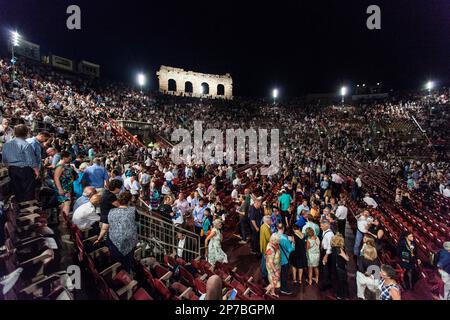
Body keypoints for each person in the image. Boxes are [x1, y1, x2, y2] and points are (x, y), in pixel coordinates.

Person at [1, 124, 39, 202]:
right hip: (25, 170)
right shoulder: (26, 145)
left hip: (12, 169)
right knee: (28, 192)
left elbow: (4, 160)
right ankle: (26, 210)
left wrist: (11, 167)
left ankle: (19, 210)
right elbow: (31, 161)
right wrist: (36, 171)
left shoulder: (6, 144)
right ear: (26, 133)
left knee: (17, 191)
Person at [105, 191, 138, 273]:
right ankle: (126, 275)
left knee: (117, 260)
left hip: (113, 239)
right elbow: (137, 220)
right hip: (128, 240)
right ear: (129, 200)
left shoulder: (111, 211)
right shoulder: (133, 210)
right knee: (127, 262)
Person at [50, 150, 75, 220]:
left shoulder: (64, 166)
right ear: (64, 158)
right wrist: (60, 189)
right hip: (63, 189)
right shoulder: (60, 166)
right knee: (66, 205)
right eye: (69, 157)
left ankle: (63, 221)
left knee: (64, 205)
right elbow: (56, 178)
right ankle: (64, 222)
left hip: (66, 188)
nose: (70, 159)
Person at [330, 233, 350, 299]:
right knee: (342, 283)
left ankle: (338, 294)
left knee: (337, 282)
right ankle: (342, 295)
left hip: (334, 268)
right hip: (340, 268)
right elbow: (347, 259)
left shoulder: (333, 248)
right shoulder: (340, 249)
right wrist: (346, 255)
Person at [277, 223, 294, 295]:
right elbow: (290, 250)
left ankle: (280, 285)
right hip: (284, 260)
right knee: (284, 275)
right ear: (283, 228)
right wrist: (293, 243)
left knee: (279, 274)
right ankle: (283, 289)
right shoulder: (284, 239)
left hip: (277, 259)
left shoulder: (274, 235)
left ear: (277, 228)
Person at [319, 219, 335, 291]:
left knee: (326, 269)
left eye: (322, 226)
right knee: (323, 268)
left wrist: (326, 256)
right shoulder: (324, 231)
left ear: (327, 225)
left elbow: (330, 246)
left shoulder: (330, 234)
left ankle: (325, 285)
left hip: (327, 253)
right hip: (324, 251)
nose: (320, 227)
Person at [265, 233, 281, 297]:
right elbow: (271, 262)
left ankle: (272, 292)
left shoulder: (274, 244)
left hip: (276, 266)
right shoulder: (270, 249)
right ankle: (265, 291)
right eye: (278, 241)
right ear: (274, 241)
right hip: (272, 268)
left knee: (273, 280)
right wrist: (275, 271)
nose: (279, 242)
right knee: (274, 281)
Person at [259, 215, 272, 281]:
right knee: (265, 261)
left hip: (263, 246)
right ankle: (264, 275)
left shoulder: (262, 226)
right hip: (266, 247)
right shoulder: (266, 228)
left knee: (263, 260)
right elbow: (269, 238)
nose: (271, 221)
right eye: (270, 220)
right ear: (267, 221)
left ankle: (263, 271)